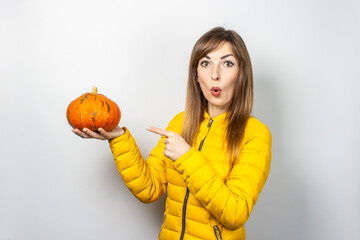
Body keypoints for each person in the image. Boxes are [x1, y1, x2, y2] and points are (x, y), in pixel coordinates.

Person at [73, 27, 272, 240]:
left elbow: (235, 213)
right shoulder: (180, 123)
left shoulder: (255, 134)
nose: (215, 74)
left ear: (241, 74)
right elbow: (148, 188)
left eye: (227, 63)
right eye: (205, 63)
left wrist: (187, 157)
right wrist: (119, 137)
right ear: (196, 75)